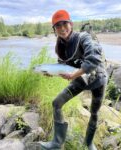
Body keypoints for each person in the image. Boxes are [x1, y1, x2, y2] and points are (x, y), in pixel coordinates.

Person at [39, 10, 108, 150]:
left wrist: (75, 74)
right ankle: (57, 143)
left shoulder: (84, 37)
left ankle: (89, 143)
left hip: (98, 79)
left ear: (71, 24)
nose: (62, 28)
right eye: (58, 26)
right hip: (79, 79)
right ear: (54, 29)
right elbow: (63, 67)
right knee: (56, 103)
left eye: (65, 24)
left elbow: (94, 59)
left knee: (94, 113)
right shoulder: (60, 47)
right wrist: (52, 73)